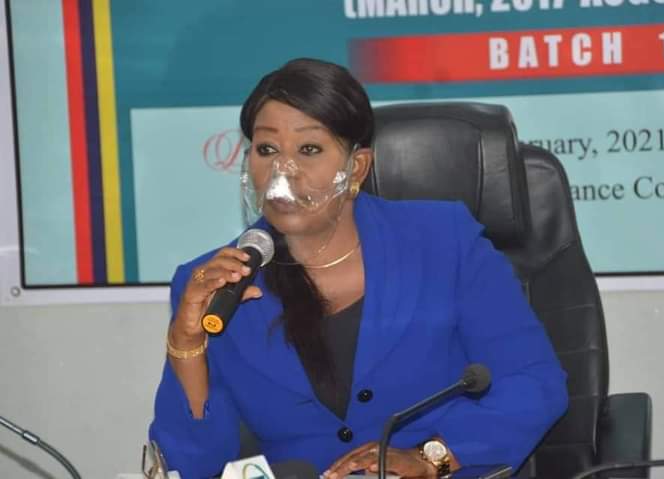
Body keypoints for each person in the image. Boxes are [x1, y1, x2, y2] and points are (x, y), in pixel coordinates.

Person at [149, 58, 568, 479]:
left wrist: (431, 458)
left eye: (309, 150)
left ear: (358, 168)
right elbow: (193, 465)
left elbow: (533, 382)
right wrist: (187, 344)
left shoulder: (444, 241)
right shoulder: (217, 286)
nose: (282, 171)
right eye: (267, 149)